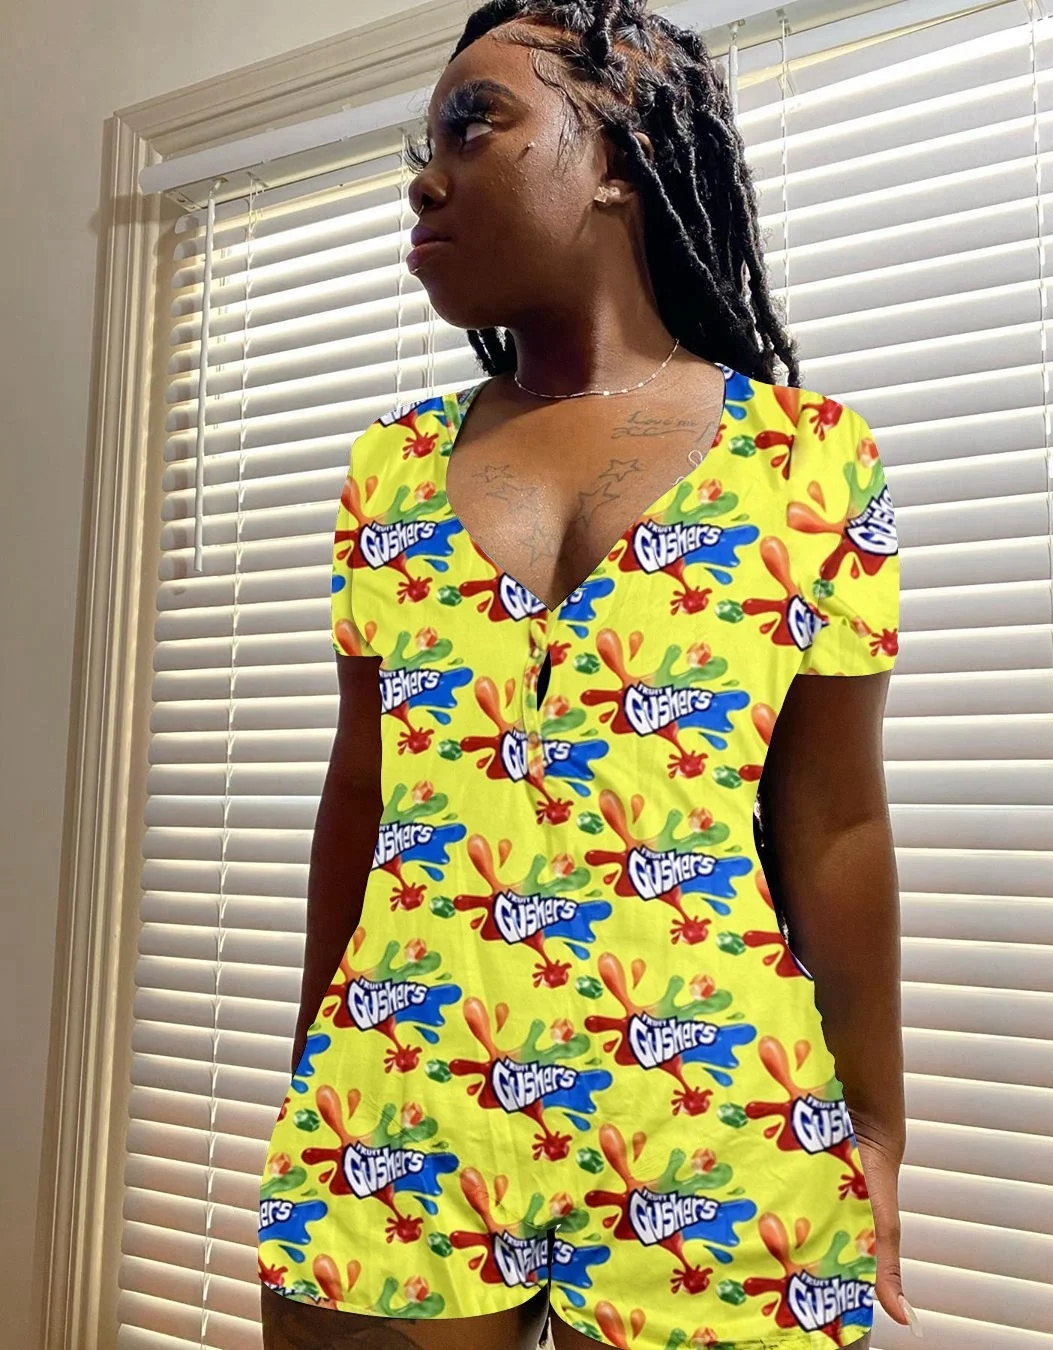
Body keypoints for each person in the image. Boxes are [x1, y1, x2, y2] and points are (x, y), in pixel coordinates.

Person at [258, 2, 914, 1347]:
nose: (426, 178)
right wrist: (315, 1071)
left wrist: (877, 1122)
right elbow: (362, 796)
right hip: (400, 1088)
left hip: (713, 1099)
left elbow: (837, 820)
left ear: (618, 155)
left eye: (473, 125)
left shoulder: (811, 460)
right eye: (423, 146)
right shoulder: (390, 468)